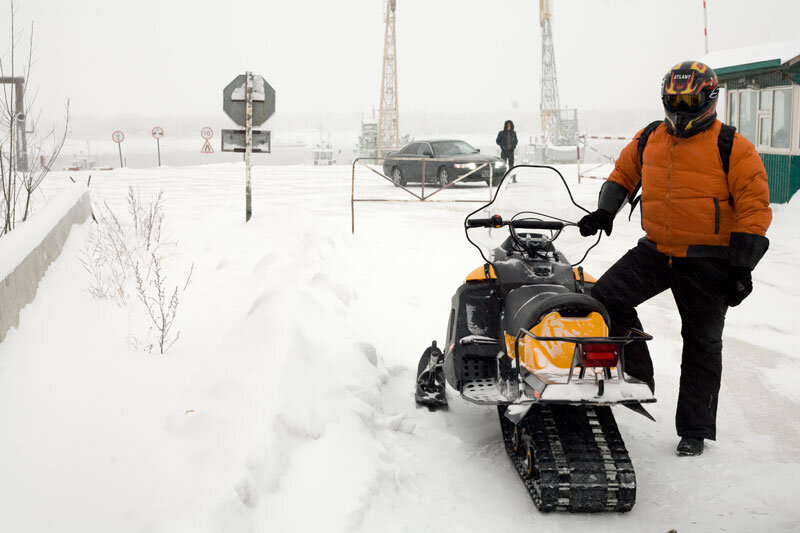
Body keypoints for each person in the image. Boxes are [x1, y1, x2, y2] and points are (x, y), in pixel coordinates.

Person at [577, 61, 772, 457]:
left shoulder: (733, 146)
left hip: (708, 259)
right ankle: (636, 375)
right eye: (674, 101)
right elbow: (622, 174)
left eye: (688, 102)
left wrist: (741, 267)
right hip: (656, 249)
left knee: (702, 344)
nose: (680, 109)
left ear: (709, 100)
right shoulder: (650, 136)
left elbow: (754, 206)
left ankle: (694, 431)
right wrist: (604, 211)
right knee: (605, 298)